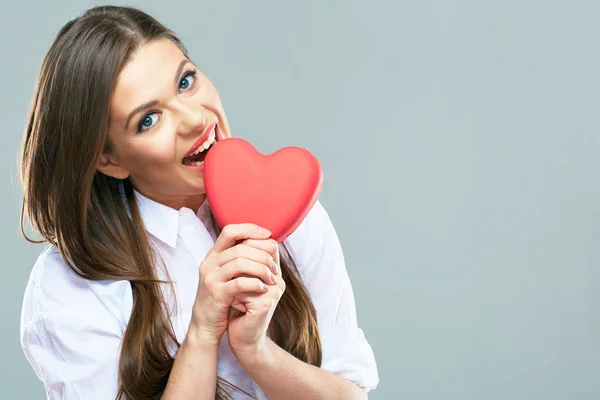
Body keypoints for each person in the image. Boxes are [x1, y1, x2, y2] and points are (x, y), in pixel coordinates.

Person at [18, 5, 378, 400]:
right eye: (149, 119)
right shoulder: (69, 287)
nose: (193, 119)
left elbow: (351, 394)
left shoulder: (294, 215)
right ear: (110, 160)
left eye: (186, 81)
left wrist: (256, 351)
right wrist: (203, 331)